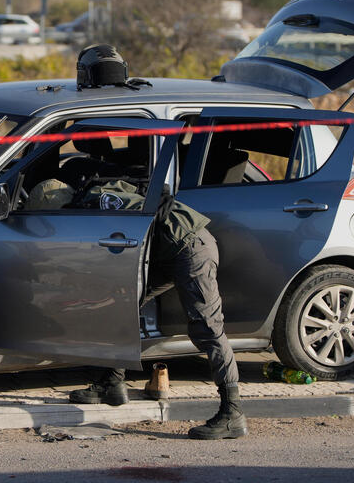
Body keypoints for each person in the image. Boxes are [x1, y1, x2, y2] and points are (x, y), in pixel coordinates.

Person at [69, 186, 247, 440]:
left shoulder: (100, 202)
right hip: (169, 249)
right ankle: (112, 382)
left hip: (190, 246)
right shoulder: (102, 194)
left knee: (207, 327)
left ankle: (232, 413)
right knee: (123, 304)